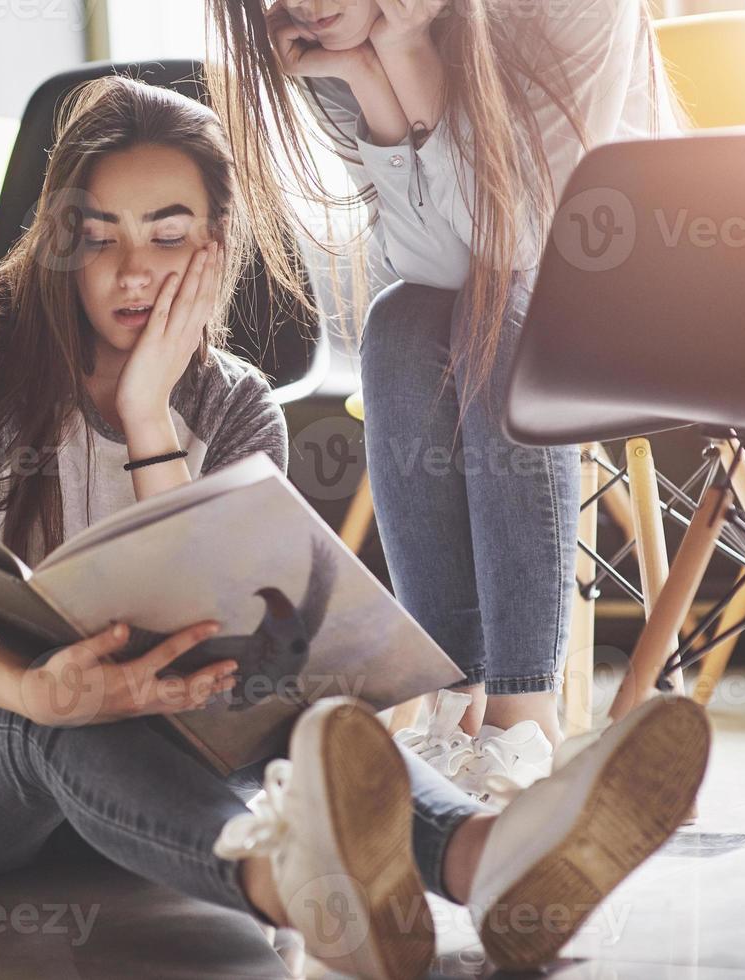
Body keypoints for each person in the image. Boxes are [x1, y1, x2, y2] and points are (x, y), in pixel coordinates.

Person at [0, 74, 708, 980]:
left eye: (169, 236)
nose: (134, 272)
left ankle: (489, 862)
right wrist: (36, 691)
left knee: (297, 695)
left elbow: (222, 635)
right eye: (99, 241)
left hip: (148, 772)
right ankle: (297, 894)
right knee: (73, 711)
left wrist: (148, 417)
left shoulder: (235, 405)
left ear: (218, 244)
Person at [204, 0, 682, 787]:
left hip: (641, 297)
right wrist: (373, 71)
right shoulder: (335, 42)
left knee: (498, 316)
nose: (304, 6)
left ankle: (522, 714)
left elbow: (522, 245)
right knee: (397, 325)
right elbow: (434, 267)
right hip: (491, 298)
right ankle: (451, 703)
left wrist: (412, 56)